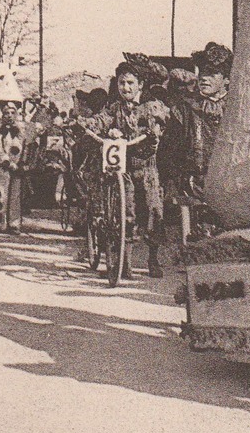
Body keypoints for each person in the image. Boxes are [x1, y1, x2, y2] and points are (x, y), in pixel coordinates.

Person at [84, 61, 169, 277]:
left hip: (147, 166)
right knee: (125, 212)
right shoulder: (115, 107)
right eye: (122, 83)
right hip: (124, 167)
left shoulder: (152, 106)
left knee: (152, 211)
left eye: (130, 83)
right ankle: (125, 262)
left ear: (140, 85)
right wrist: (89, 124)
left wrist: (153, 133)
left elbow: (158, 127)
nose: (126, 88)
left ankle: (153, 259)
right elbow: (102, 120)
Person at [157, 42, 232, 238]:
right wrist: (172, 182)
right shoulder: (185, 108)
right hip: (193, 186)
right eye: (203, 73)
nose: (204, 78)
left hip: (229, 183)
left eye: (213, 74)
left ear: (226, 80)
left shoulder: (235, 108)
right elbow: (167, 150)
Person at [0, 84, 44, 235]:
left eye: (12, 112)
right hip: (2, 166)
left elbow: (24, 143)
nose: (9, 116)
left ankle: (14, 223)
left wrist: (18, 162)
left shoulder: (22, 129)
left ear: (17, 113)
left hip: (17, 165)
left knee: (15, 195)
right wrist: (6, 161)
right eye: (6, 113)